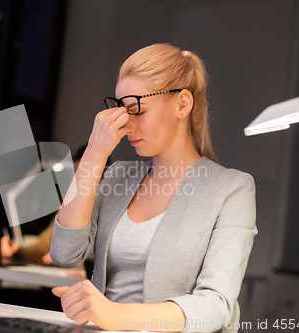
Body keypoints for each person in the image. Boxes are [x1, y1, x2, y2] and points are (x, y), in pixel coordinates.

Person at [49, 43, 257, 332]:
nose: (127, 126)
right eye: (121, 111)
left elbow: (215, 306)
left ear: (183, 104)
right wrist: (94, 154)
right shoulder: (118, 176)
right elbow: (64, 253)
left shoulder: (232, 188)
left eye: (137, 110)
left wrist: (116, 315)